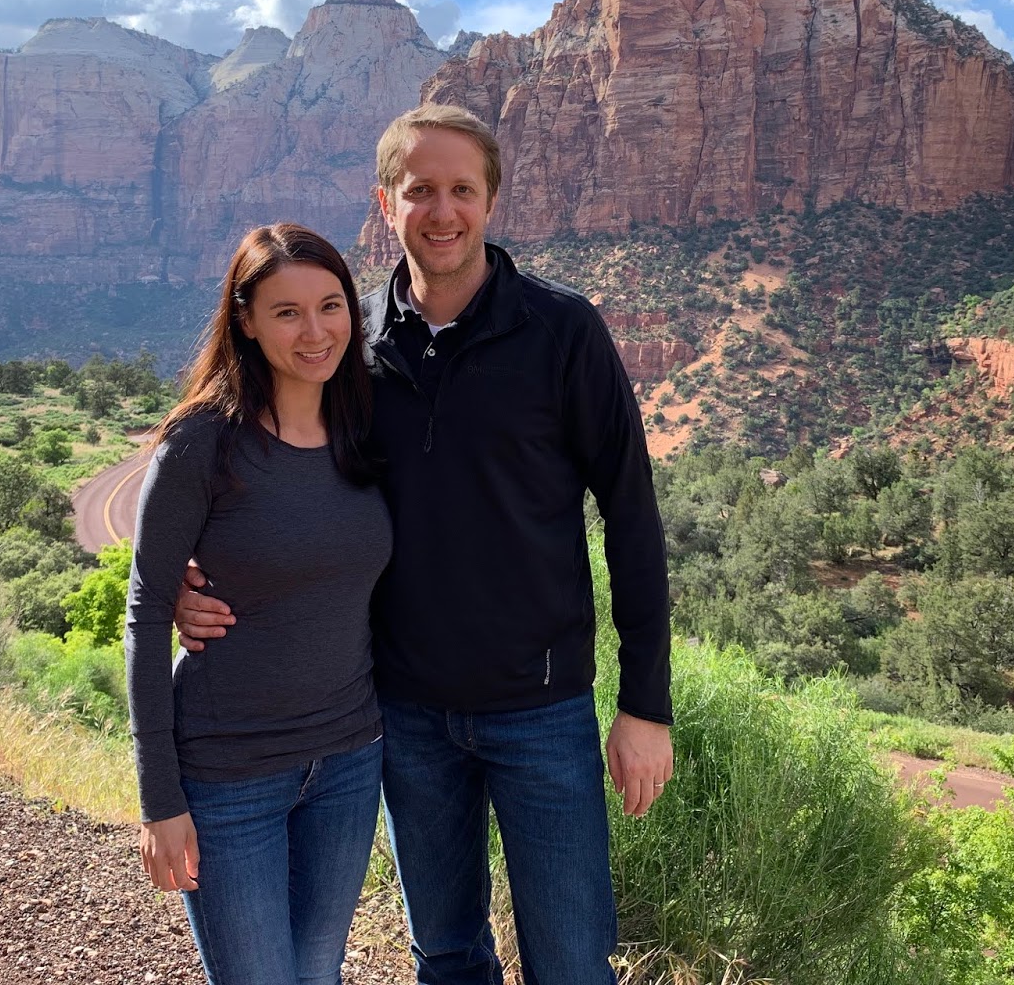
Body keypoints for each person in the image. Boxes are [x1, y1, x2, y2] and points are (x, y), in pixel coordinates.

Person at [177, 105, 674, 985]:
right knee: (444, 955)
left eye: (461, 190)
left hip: (544, 708)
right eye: (419, 192)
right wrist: (185, 569)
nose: (441, 212)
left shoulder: (564, 334)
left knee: (570, 960)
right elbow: (257, 456)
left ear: (491, 201)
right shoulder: (347, 341)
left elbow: (632, 519)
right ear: (385, 202)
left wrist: (646, 706)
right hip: (402, 715)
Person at [125, 222, 392, 985]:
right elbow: (144, 617)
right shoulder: (202, 442)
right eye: (286, 311)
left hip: (347, 760)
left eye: (331, 305)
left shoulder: (365, 428)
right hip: (229, 771)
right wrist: (159, 800)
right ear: (244, 318)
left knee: (316, 975)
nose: (315, 331)